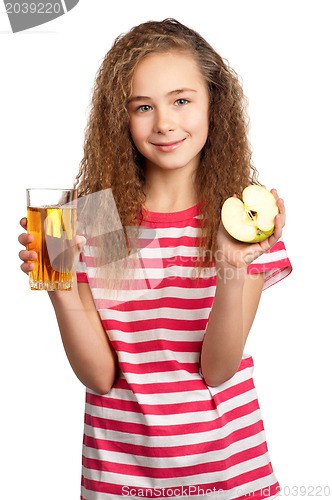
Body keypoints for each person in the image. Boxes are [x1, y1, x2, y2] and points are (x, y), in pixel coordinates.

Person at [18, 18, 292, 500]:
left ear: (214, 105)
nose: (164, 123)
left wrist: (231, 271)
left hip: (227, 475)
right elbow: (100, 376)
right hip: (118, 479)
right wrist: (58, 284)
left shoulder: (240, 217)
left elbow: (218, 370)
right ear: (118, 119)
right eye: (143, 107)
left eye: (181, 100)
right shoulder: (91, 219)